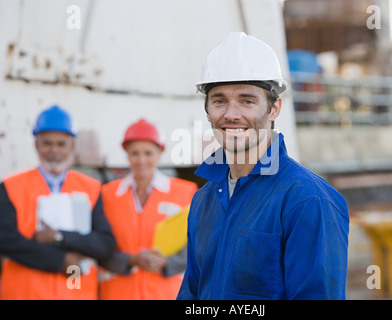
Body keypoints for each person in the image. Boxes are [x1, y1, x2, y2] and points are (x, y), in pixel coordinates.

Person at [177, 32, 350, 300]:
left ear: (274, 109)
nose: (231, 115)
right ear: (208, 110)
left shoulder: (307, 199)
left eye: (247, 100)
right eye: (219, 100)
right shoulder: (203, 200)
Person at [0, 105, 116, 300]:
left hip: (77, 293)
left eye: (61, 144)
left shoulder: (91, 188)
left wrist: (59, 237)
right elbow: (6, 239)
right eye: (47, 143)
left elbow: (104, 244)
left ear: (72, 146)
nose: (54, 150)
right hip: (24, 293)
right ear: (36, 145)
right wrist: (59, 260)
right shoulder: (11, 187)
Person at [99, 118, 198, 300]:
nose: (141, 160)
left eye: (148, 153)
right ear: (127, 154)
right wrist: (130, 260)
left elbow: (198, 244)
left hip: (166, 293)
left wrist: (167, 262)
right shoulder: (106, 194)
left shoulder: (185, 192)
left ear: (160, 153)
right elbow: (98, 246)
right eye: (135, 153)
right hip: (118, 293)